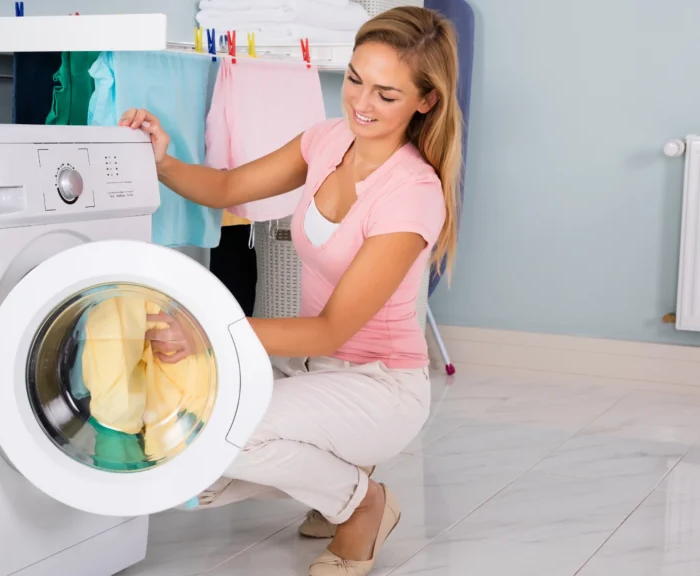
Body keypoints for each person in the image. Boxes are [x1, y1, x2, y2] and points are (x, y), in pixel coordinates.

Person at [119, 6, 462, 576]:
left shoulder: (411, 194)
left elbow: (334, 329)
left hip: (380, 387)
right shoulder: (328, 141)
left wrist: (206, 334)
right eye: (355, 79)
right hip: (309, 370)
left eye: (386, 94)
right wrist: (163, 161)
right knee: (180, 440)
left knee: (225, 432)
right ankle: (342, 474)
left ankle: (361, 505)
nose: (360, 103)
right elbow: (229, 186)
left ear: (425, 101)